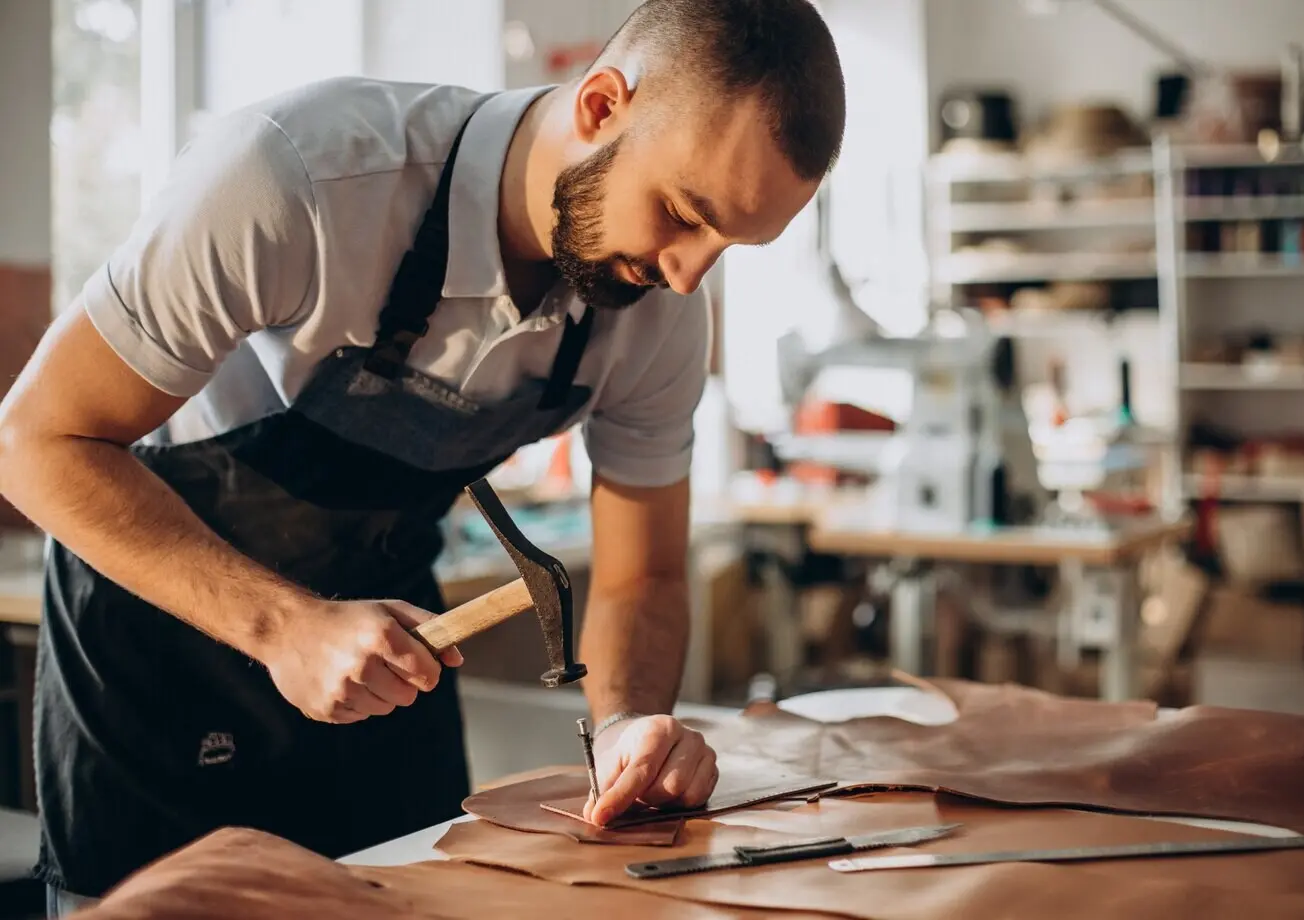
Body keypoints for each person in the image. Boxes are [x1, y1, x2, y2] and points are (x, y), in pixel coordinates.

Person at [0, 0, 846, 913]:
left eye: (728, 248)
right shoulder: (300, 178)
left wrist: (630, 721)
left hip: (384, 659)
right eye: (683, 213)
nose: (687, 274)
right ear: (602, 105)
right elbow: (35, 442)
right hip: (160, 656)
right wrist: (286, 629)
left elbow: (642, 578)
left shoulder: (660, 310)